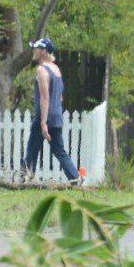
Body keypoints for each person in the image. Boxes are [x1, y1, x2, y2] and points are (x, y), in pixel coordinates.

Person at [23, 36, 81, 184]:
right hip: (56, 115)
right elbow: (60, 97)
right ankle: (76, 178)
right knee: (59, 151)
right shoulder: (56, 69)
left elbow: (45, 98)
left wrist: (43, 123)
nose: (34, 51)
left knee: (32, 148)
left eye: (36, 48)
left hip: (45, 116)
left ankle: (26, 178)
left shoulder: (42, 70)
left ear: (43, 52)